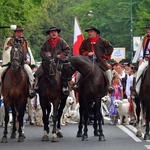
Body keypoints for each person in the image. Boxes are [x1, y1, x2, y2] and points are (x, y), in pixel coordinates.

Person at [74, 26, 114, 93]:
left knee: (108, 71)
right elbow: (81, 50)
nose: (89, 33)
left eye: (91, 32)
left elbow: (110, 48)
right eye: (89, 32)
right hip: (87, 61)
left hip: (100, 61)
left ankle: (110, 85)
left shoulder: (102, 41)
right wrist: (87, 53)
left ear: (95, 32)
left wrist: (104, 56)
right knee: (79, 71)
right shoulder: (85, 42)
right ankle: (76, 84)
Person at [0, 25, 36, 98]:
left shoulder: (24, 41)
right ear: (15, 32)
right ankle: (0, 90)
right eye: (18, 31)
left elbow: (27, 52)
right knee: (1, 73)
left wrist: (28, 59)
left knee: (29, 72)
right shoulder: (10, 40)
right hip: (10, 63)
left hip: (22, 63)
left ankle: (31, 90)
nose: (20, 33)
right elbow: (7, 51)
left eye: (21, 31)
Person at [135, 23, 150, 94]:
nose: (148, 30)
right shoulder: (145, 38)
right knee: (140, 69)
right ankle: (137, 88)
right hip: (146, 59)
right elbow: (142, 50)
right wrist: (140, 58)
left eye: (149, 29)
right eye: (148, 29)